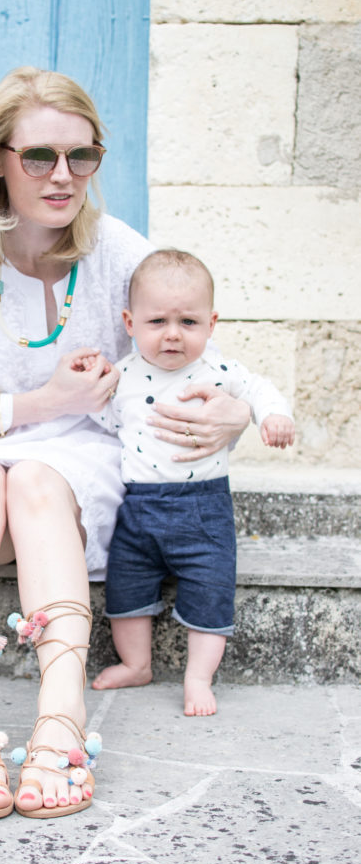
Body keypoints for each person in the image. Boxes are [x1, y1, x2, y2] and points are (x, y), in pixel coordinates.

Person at [0, 67, 251, 820]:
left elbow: (181, 348)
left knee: (38, 481)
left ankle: (61, 716)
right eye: (40, 157)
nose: (63, 176)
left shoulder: (116, 251)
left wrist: (234, 413)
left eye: (82, 157)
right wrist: (38, 401)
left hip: (77, 460)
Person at [83, 249, 295, 715]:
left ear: (211, 323)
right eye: (157, 321)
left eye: (189, 322)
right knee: (126, 591)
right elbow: (100, 417)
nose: (173, 334)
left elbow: (259, 388)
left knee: (211, 589)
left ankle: (199, 678)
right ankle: (136, 664)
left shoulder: (218, 372)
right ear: (130, 322)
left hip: (205, 509)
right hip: (138, 510)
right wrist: (88, 384)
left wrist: (273, 414)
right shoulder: (122, 374)